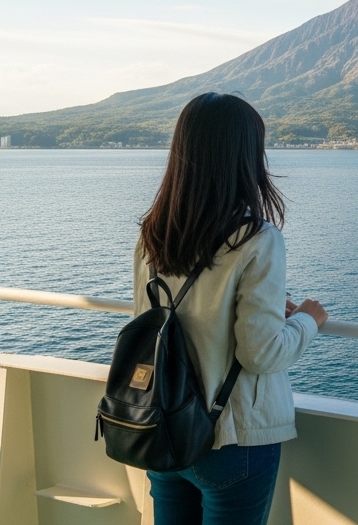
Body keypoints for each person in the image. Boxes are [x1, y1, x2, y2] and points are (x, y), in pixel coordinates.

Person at [134, 92, 327, 525]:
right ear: (245, 157)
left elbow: (158, 320)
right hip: (233, 439)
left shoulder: (153, 233)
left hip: (162, 426)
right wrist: (307, 322)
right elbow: (259, 353)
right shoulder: (256, 240)